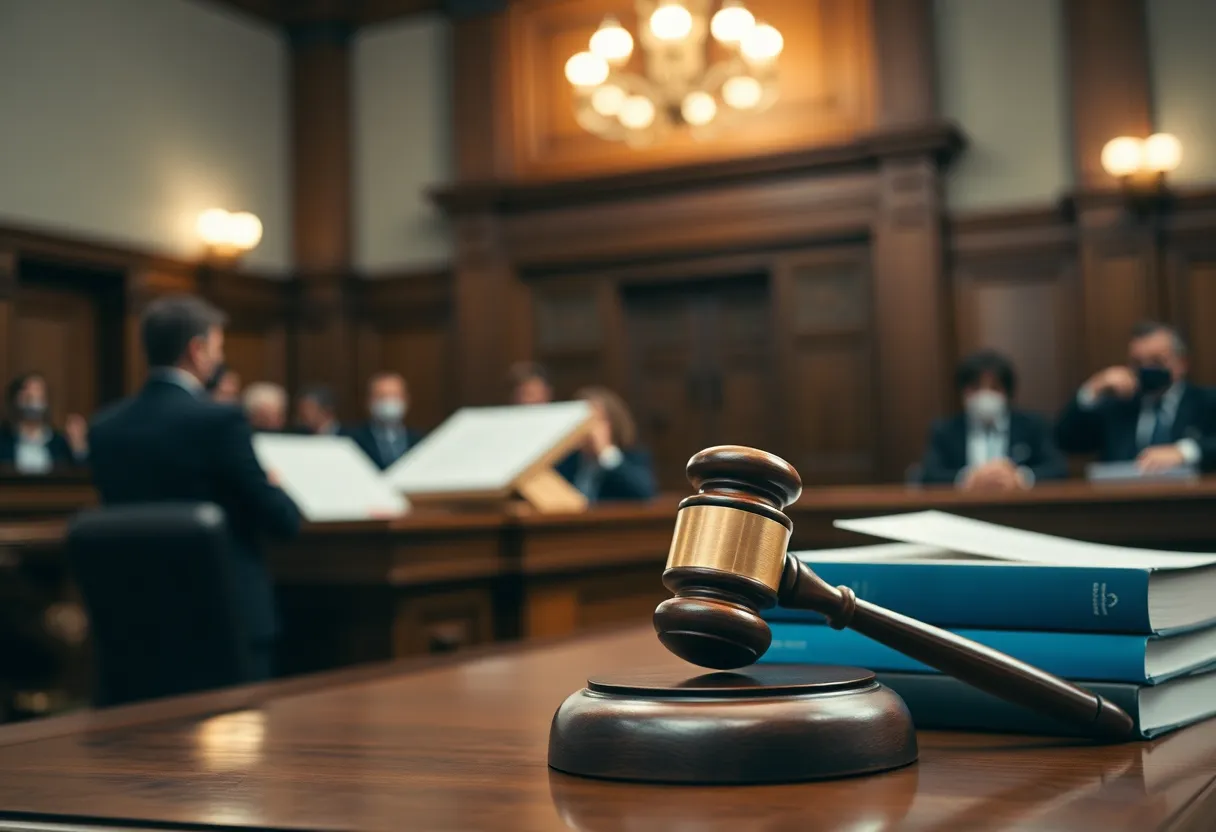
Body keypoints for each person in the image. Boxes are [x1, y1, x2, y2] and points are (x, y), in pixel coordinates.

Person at [87, 294, 301, 679]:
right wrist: (277, 486)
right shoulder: (220, 422)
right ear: (197, 350)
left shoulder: (104, 428)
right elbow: (280, 519)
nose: (219, 359)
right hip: (226, 615)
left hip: (138, 618)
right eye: (218, 348)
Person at [1056, 321, 1216, 473]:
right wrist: (1092, 389)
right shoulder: (1117, 406)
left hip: (1189, 496)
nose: (1147, 369)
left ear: (1182, 363)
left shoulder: (1205, 402)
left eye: (1156, 362)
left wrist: (1185, 451)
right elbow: (1066, 441)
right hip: (1123, 495)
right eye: (1138, 363)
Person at [919, 350, 1068, 490]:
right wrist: (967, 478)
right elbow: (928, 475)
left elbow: (1057, 469)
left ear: (1007, 393)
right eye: (976, 388)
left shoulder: (1032, 426)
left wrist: (1020, 477)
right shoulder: (945, 430)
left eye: (994, 388)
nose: (985, 394)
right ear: (963, 391)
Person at [556, 386, 656, 502]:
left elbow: (645, 494)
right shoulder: (565, 462)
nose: (587, 429)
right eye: (581, 422)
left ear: (611, 424)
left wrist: (606, 454)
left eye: (594, 420)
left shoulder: (634, 457)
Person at [0, 373, 88, 473]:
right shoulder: (3, 440)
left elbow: (82, 476)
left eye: (38, 392)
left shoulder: (59, 443)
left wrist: (79, 447)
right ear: (16, 398)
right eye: (27, 393)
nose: (33, 397)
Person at [348, 372, 422, 470]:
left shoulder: (421, 441)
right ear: (369, 401)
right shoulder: (353, 441)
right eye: (382, 396)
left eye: (395, 396)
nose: (389, 401)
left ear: (406, 399)